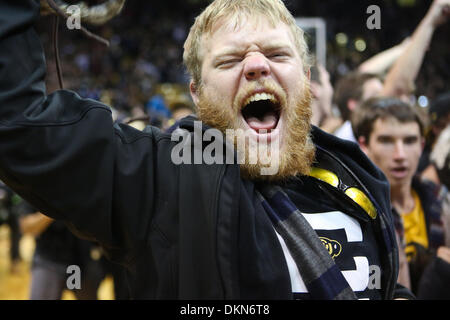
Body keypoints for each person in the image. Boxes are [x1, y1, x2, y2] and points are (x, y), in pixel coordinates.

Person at [0, 0, 413, 300]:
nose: (256, 66)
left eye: (275, 54)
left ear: (305, 79)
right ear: (197, 94)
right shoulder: (158, 177)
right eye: (231, 60)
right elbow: (17, 124)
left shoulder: (355, 177)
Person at [353, 97, 450, 299]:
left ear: (422, 145)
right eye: (386, 140)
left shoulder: (440, 200)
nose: (400, 154)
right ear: (364, 145)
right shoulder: (357, 211)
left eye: (410, 141)